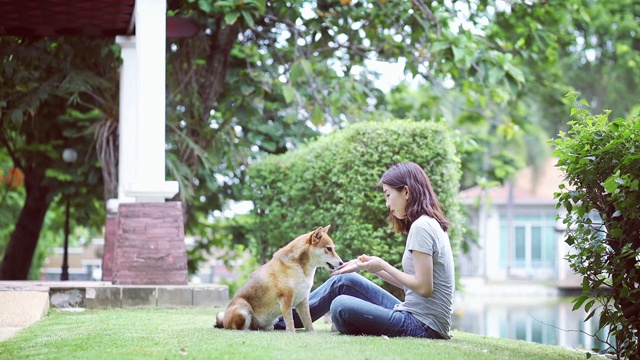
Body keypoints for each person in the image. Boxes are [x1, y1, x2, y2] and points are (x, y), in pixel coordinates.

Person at [273, 161, 455, 339]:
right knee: (344, 280)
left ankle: (335, 322)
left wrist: (383, 264)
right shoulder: (428, 223)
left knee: (341, 306)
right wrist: (371, 267)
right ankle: (276, 320)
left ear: (406, 191)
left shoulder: (421, 227)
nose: (387, 204)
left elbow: (424, 288)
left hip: (423, 325)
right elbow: (416, 286)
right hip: (415, 315)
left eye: (388, 195)